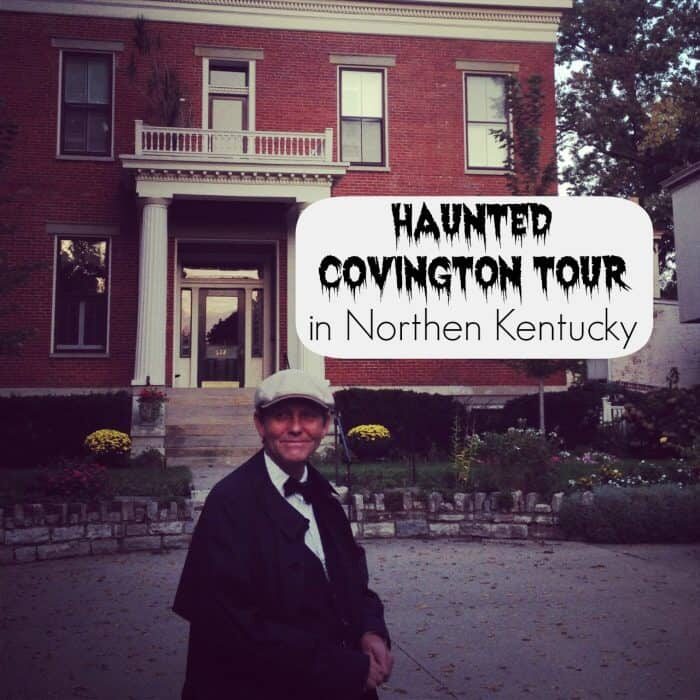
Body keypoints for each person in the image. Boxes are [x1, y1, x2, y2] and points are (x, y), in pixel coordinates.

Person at [173, 369, 393, 699]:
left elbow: (353, 584)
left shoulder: (325, 498)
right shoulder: (229, 503)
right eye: (281, 416)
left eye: (308, 416)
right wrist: (343, 668)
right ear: (260, 425)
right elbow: (230, 624)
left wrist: (371, 629)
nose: (295, 427)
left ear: (325, 426)